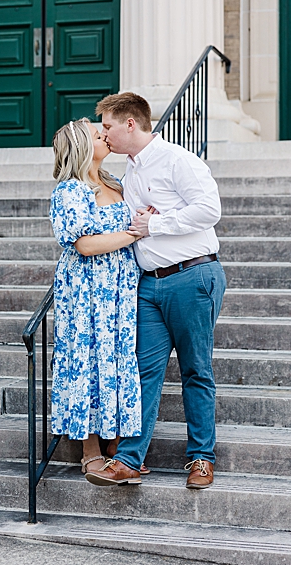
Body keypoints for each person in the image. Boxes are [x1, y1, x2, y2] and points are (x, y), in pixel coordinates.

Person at [84, 92, 226, 490]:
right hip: (149, 284)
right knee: (141, 372)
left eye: (108, 126)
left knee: (196, 370)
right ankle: (129, 459)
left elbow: (209, 209)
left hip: (192, 277)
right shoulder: (128, 175)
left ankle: (201, 458)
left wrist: (155, 225)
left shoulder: (178, 160)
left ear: (131, 124)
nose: (105, 134)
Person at [49, 118, 143, 484]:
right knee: (86, 358)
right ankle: (90, 450)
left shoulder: (115, 183)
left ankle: (118, 444)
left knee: (116, 357)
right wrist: (132, 234)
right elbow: (85, 245)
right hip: (87, 290)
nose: (104, 134)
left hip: (119, 288)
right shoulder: (71, 190)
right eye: (96, 133)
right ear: (81, 146)